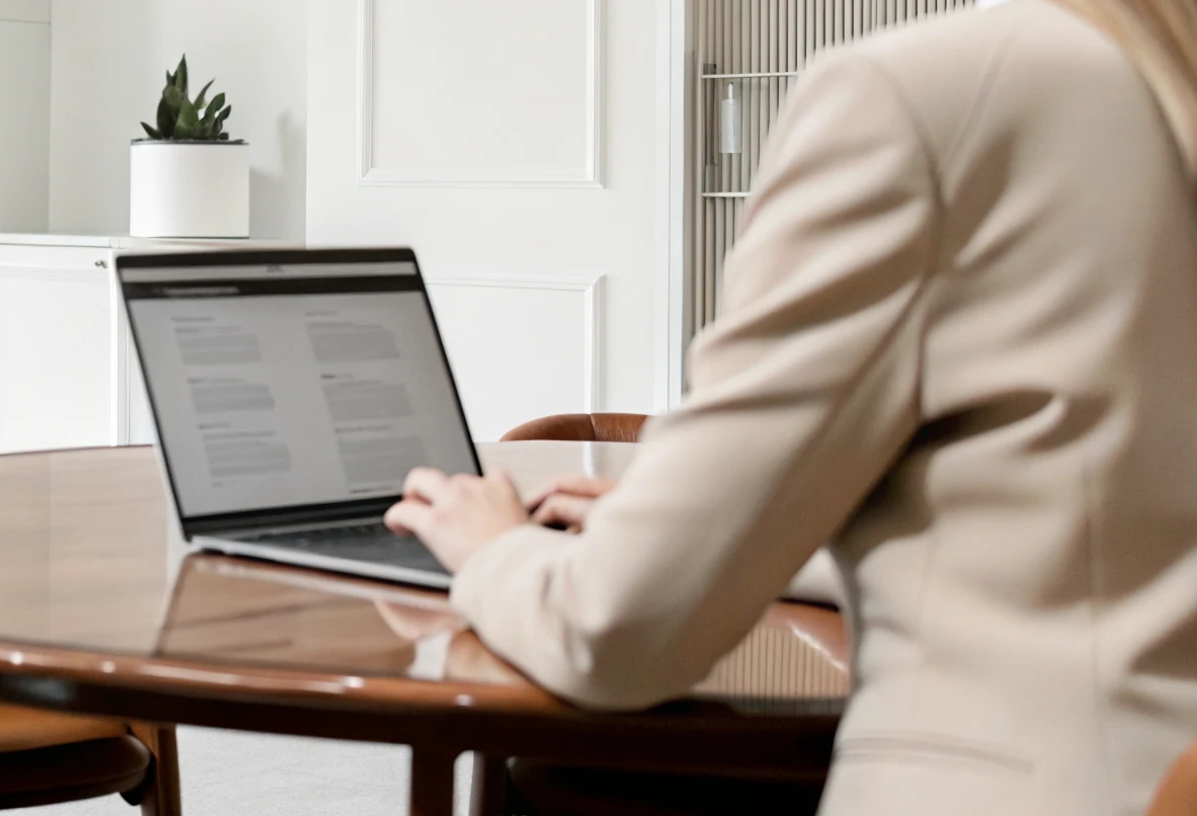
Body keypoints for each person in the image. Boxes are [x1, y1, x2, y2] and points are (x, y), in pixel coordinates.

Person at [381, 1, 1197, 813]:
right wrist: (739, 529)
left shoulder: (927, 94)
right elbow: (1094, 531)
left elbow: (615, 635)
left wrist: (493, 550)